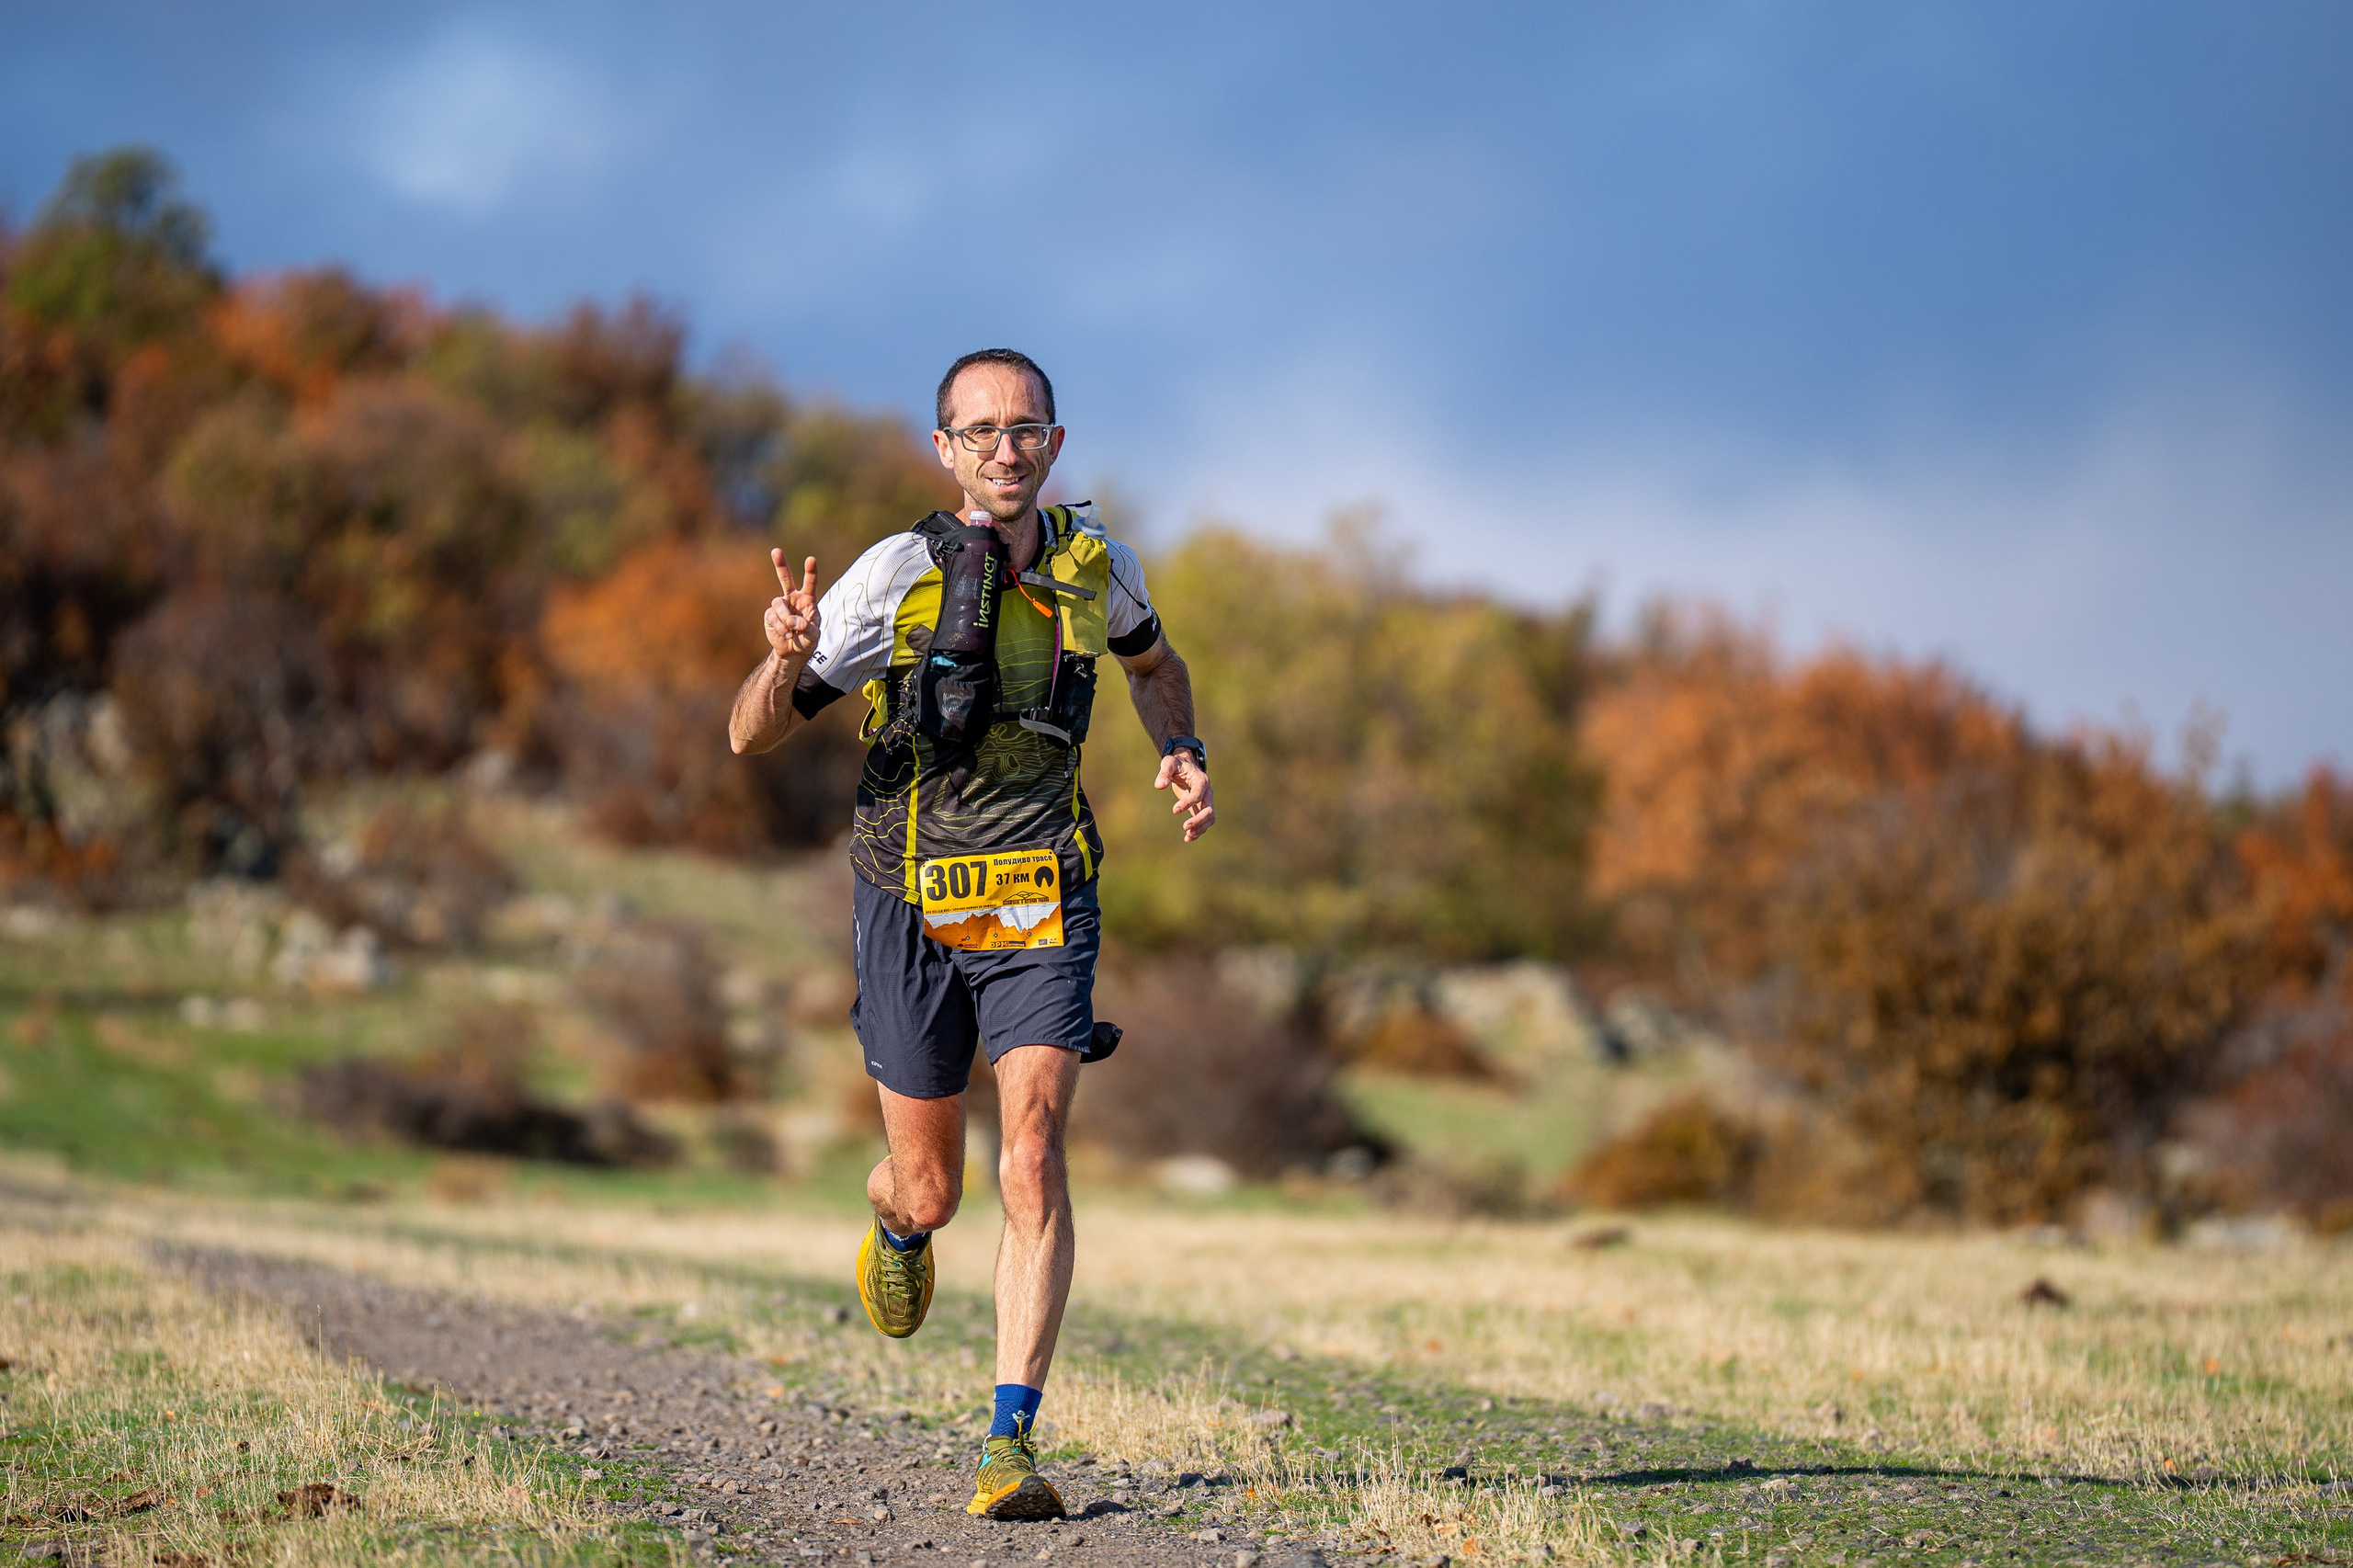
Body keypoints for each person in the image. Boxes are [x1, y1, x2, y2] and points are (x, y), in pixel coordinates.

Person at [726, 348, 1214, 1522]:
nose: (1005, 448)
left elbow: (1157, 665)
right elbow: (748, 734)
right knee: (935, 1189)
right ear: (944, 448)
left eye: (1025, 427)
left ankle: (1009, 1438)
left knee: (1034, 1150)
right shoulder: (894, 572)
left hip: (1041, 888)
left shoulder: (1103, 565)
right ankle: (893, 1215)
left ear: (1055, 443)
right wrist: (785, 660)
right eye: (980, 430)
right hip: (908, 892)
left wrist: (1179, 744)